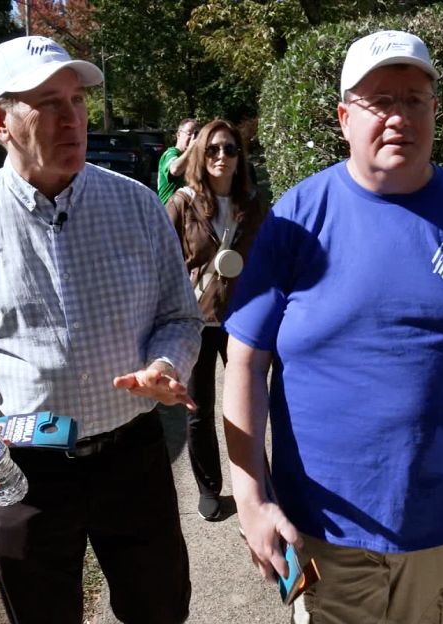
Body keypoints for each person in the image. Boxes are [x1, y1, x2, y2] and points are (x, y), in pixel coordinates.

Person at [222, 30, 443, 624]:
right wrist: (251, 498)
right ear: (346, 118)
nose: (399, 115)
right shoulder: (298, 218)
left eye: (414, 99)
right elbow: (245, 359)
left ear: (433, 111)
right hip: (323, 528)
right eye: (379, 101)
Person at [0, 35, 202, 624]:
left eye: (77, 100)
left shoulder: (137, 206)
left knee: (160, 608)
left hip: (130, 457)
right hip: (20, 471)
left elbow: (179, 317)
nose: (72, 119)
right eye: (47, 103)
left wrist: (167, 366)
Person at [164, 119, 267, 521]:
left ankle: (259, 486)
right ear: (199, 155)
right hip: (196, 321)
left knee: (251, 405)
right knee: (198, 409)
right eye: (213, 149)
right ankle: (209, 487)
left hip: (244, 320)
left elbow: (270, 259)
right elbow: (163, 263)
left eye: (230, 149)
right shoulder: (183, 203)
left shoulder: (254, 204)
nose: (222, 156)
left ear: (240, 158)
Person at [157, 118, 198, 204]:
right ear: (178, 134)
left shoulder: (194, 158)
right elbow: (175, 170)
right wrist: (190, 150)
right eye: (189, 133)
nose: (193, 138)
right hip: (167, 213)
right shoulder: (170, 153)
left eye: (196, 135)